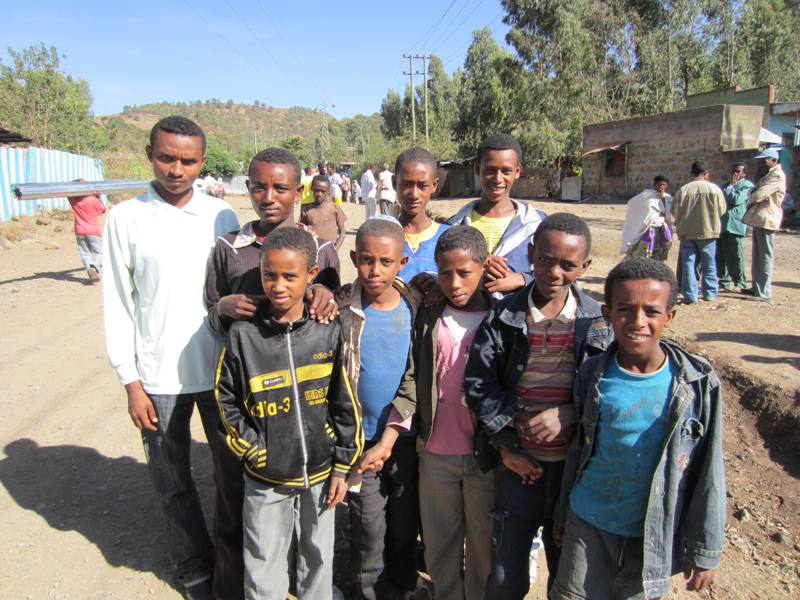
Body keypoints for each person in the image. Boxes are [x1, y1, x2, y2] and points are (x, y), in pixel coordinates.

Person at [102, 116, 240, 599]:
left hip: (222, 372)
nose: (176, 169)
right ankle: (195, 567)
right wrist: (130, 381)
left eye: (187, 160)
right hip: (158, 379)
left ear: (203, 162)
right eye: (166, 157)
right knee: (172, 480)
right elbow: (119, 302)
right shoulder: (124, 219)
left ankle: (232, 566)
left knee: (232, 475)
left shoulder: (222, 216)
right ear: (149, 154)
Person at [203, 147, 339, 600]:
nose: (268, 196)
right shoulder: (229, 248)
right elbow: (211, 312)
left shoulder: (319, 248)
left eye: (280, 187)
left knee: (313, 532)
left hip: (308, 403)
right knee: (242, 506)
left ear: (298, 191)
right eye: (258, 186)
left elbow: (332, 310)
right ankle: (231, 587)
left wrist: (323, 295)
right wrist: (220, 309)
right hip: (254, 400)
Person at [551, 257, 725, 600]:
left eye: (652, 312)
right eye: (626, 310)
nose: (637, 322)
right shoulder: (593, 374)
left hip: (651, 534)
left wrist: (706, 549)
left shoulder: (697, 384)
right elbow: (579, 451)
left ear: (670, 316)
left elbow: (709, 469)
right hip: (587, 522)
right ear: (607, 313)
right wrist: (561, 513)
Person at [464, 213, 614, 599]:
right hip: (519, 471)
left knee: (568, 574)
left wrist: (569, 412)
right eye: (546, 259)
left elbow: (609, 392)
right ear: (531, 254)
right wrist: (508, 444)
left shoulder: (598, 322)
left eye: (568, 265)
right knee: (505, 575)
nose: (554, 272)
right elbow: (479, 384)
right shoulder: (505, 316)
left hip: (574, 474)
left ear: (585, 267)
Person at [215, 227, 363, 600]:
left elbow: (345, 402)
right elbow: (226, 399)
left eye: (290, 276)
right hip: (266, 477)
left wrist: (343, 465)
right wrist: (253, 448)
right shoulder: (244, 335)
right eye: (269, 275)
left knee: (318, 555)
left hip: (320, 472)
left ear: (311, 276)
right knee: (263, 557)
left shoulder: (327, 331)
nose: (278, 285)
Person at [367, 225, 494, 600]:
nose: (454, 282)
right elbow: (411, 377)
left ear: (485, 267)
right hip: (435, 451)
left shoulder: (502, 317)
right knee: (440, 547)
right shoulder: (429, 314)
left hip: (483, 457)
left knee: (483, 548)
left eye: (464, 273)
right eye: (445, 272)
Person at [337, 217, 422, 600]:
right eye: (366, 260)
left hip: (403, 441)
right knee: (368, 530)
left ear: (401, 262)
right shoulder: (341, 309)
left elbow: (417, 376)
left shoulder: (416, 308)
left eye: (385, 262)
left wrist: (391, 437)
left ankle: (403, 587)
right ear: (354, 258)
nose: (374, 271)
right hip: (358, 443)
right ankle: (368, 592)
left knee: (404, 523)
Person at [449, 133, 545, 297]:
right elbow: (443, 272)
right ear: (477, 168)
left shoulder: (537, 224)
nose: (498, 179)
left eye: (506, 171)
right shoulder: (454, 226)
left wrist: (524, 279)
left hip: (516, 319)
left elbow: (560, 276)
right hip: (469, 319)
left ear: (517, 171)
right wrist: (477, 262)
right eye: (490, 170)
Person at [670, 161, 727, 304]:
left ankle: (690, 294)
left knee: (689, 263)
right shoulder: (714, 189)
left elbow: (674, 211)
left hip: (687, 232)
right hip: (708, 231)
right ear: (706, 173)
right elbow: (722, 209)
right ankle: (710, 293)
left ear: (692, 173)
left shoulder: (684, 190)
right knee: (709, 262)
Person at [392, 147, 450, 282]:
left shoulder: (448, 237)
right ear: (395, 183)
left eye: (422, 186)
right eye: (407, 184)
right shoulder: (382, 237)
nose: (414, 194)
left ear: (434, 185)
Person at [743, 147, 786, 301]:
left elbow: (759, 194)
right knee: (757, 256)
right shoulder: (768, 175)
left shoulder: (777, 175)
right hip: (760, 218)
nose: (762, 163)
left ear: (774, 160)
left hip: (767, 218)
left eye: (765, 160)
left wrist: (751, 196)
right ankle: (757, 287)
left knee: (765, 256)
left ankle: (764, 292)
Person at [718, 163, 753, 292]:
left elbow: (736, 199)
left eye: (738, 172)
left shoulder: (746, 185)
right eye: (734, 171)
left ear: (744, 174)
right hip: (723, 224)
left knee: (737, 255)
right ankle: (724, 281)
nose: (735, 174)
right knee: (722, 255)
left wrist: (730, 187)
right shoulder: (724, 185)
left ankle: (740, 282)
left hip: (736, 225)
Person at [620, 175, 672, 261]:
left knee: (658, 253)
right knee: (644, 253)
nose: (661, 187)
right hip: (648, 229)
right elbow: (632, 203)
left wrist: (662, 197)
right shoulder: (646, 196)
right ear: (655, 184)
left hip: (661, 230)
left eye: (664, 185)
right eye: (660, 184)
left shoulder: (667, 198)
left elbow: (669, 211)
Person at [67, 180, 106, 283]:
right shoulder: (93, 199)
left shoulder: (74, 200)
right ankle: (94, 266)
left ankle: (90, 269)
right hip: (93, 231)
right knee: (100, 253)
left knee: (85, 254)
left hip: (79, 231)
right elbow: (102, 210)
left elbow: (68, 194)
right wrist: (98, 197)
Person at [300, 175, 347, 250]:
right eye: (316, 190)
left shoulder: (334, 208)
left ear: (328, 192)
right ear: (312, 189)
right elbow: (302, 233)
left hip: (330, 251)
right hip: (313, 252)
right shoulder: (306, 210)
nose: (319, 194)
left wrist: (334, 250)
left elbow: (342, 233)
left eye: (323, 191)